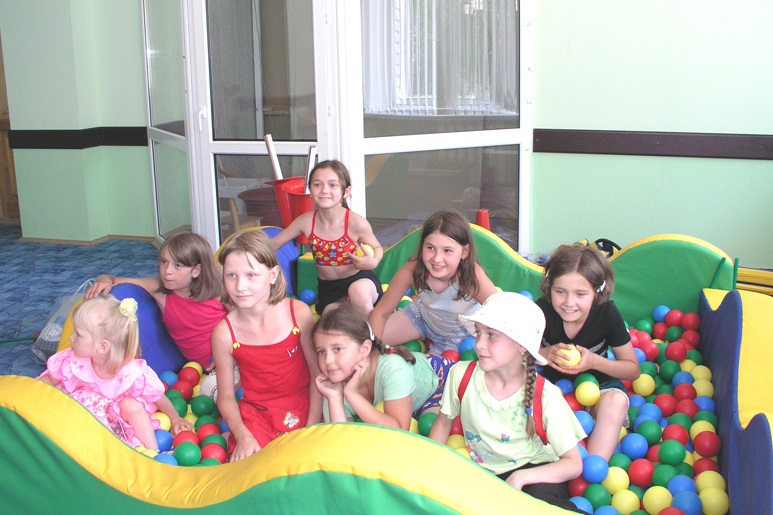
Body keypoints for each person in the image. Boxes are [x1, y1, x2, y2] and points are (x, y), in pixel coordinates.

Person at [429, 292, 586, 513]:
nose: (479, 344)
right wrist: (430, 467)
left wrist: (521, 477)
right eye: (478, 333)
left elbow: (573, 463)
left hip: (534, 470)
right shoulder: (461, 375)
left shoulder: (545, 395)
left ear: (522, 346)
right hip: (481, 473)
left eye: (492, 335)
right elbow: (443, 423)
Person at [212, 229, 322, 462]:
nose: (240, 286)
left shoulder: (298, 313)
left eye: (251, 275)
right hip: (258, 415)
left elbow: (317, 376)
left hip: (305, 406)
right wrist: (242, 435)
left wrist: (310, 429)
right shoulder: (224, 333)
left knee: (310, 463)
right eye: (231, 275)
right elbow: (226, 397)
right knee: (257, 468)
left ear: (273, 275)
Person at [37, 296, 194, 450]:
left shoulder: (131, 374)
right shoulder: (73, 362)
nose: (71, 338)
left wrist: (175, 418)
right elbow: (48, 380)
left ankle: (150, 453)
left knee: (131, 405)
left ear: (102, 347)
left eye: (78, 334)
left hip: (111, 426)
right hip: (76, 419)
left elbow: (157, 396)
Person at [536, 244, 640, 461]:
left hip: (599, 390)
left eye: (581, 294)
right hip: (553, 392)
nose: (569, 302)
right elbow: (515, 352)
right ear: (549, 286)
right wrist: (543, 353)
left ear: (597, 292)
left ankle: (590, 468)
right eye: (560, 292)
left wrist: (594, 362)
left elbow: (632, 370)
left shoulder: (607, 314)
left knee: (616, 401)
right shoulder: (541, 311)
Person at [85, 232, 228, 371]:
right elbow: (113, 279)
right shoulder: (160, 292)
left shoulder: (217, 291)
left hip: (230, 358)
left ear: (196, 270)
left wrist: (229, 356)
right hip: (203, 370)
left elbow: (240, 322)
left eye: (177, 266)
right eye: (164, 262)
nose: (167, 271)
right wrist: (103, 280)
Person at [369, 209, 497, 355]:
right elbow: (381, 313)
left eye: (447, 250)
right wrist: (373, 354)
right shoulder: (413, 269)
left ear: (464, 252)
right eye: (430, 248)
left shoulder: (472, 277)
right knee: (364, 342)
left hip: (461, 335)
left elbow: (501, 314)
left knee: (433, 368)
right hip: (423, 317)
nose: (436, 258)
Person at [270, 160, 384, 317]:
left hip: (361, 282)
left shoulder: (356, 223)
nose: (324, 190)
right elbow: (273, 244)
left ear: (346, 191)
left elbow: (377, 247)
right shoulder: (305, 222)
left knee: (358, 291)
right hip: (329, 289)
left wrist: (373, 262)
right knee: (331, 315)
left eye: (332, 185)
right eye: (317, 185)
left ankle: (371, 330)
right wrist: (246, 254)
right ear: (310, 190)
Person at [312, 305, 454, 430]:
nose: (328, 360)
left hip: (441, 385)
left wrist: (353, 395)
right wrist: (334, 398)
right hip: (406, 409)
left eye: (337, 349)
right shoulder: (333, 386)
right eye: (321, 352)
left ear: (364, 349)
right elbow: (342, 440)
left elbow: (398, 431)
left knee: (429, 429)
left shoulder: (393, 367)